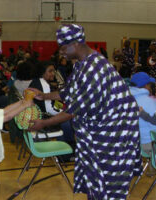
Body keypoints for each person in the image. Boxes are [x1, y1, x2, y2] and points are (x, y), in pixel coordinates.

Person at [29, 24, 142, 200]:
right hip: (99, 130)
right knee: (96, 181)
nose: (62, 53)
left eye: (64, 48)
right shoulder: (82, 64)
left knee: (110, 184)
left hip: (115, 133)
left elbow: (75, 109)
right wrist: (44, 96)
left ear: (76, 44)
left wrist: (43, 123)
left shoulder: (95, 68)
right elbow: (69, 92)